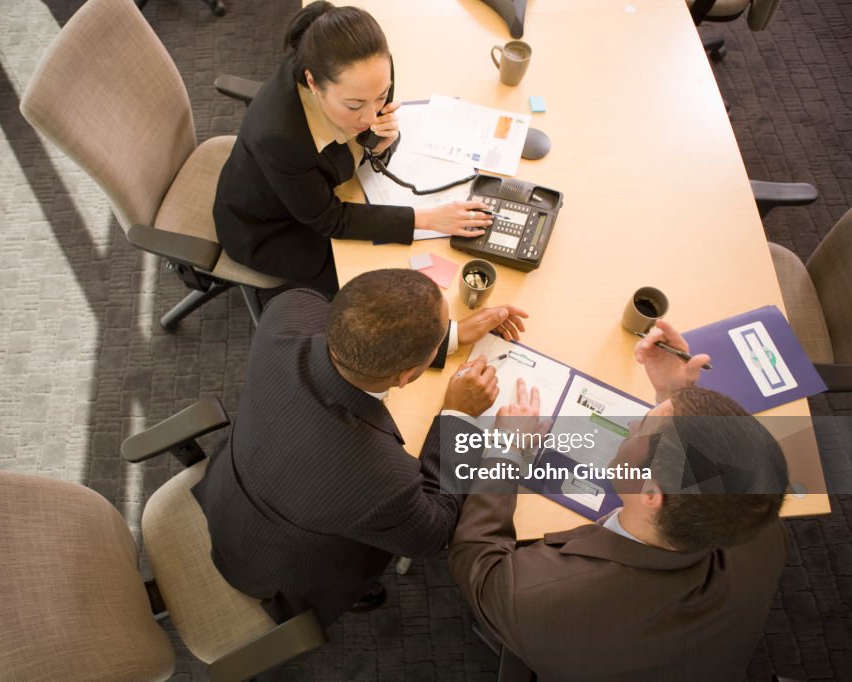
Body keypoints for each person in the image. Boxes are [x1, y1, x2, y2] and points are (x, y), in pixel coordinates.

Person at [448, 319, 791, 682]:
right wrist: (676, 397)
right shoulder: (759, 523)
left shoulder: (540, 597)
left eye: (642, 426)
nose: (631, 425)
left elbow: (478, 564)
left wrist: (507, 450)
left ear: (651, 495)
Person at [192, 268, 528, 626]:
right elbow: (435, 533)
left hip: (228, 488)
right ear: (406, 376)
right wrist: (458, 416)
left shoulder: (287, 312)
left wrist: (453, 336)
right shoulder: (382, 479)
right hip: (274, 570)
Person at [213, 1, 494, 296]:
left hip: (318, 190)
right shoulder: (280, 137)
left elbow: (373, 130)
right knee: (367, 290)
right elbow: (330, 219)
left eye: (381, 96)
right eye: (354, 105)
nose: (372, 116)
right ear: (313, 82)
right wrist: (427, 219)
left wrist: (380, 146)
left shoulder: (370, 73)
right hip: (271, 227)